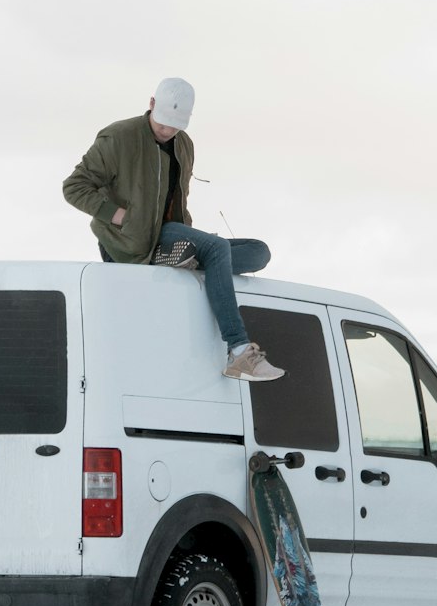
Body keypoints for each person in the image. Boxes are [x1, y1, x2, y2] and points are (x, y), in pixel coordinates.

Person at [62, 77, 285, 382]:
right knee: (217, 250)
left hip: (171, 235)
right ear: (151, 104)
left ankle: (185, 258)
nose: (167, 131)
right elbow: (74, 187)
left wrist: (192, 238)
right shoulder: (119, 137)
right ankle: (239, 349)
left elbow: (177, 198)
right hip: (133, 242)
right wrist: (123, 217)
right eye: (164, 123)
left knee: (258, 252)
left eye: (176, 125)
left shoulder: (184, 145)